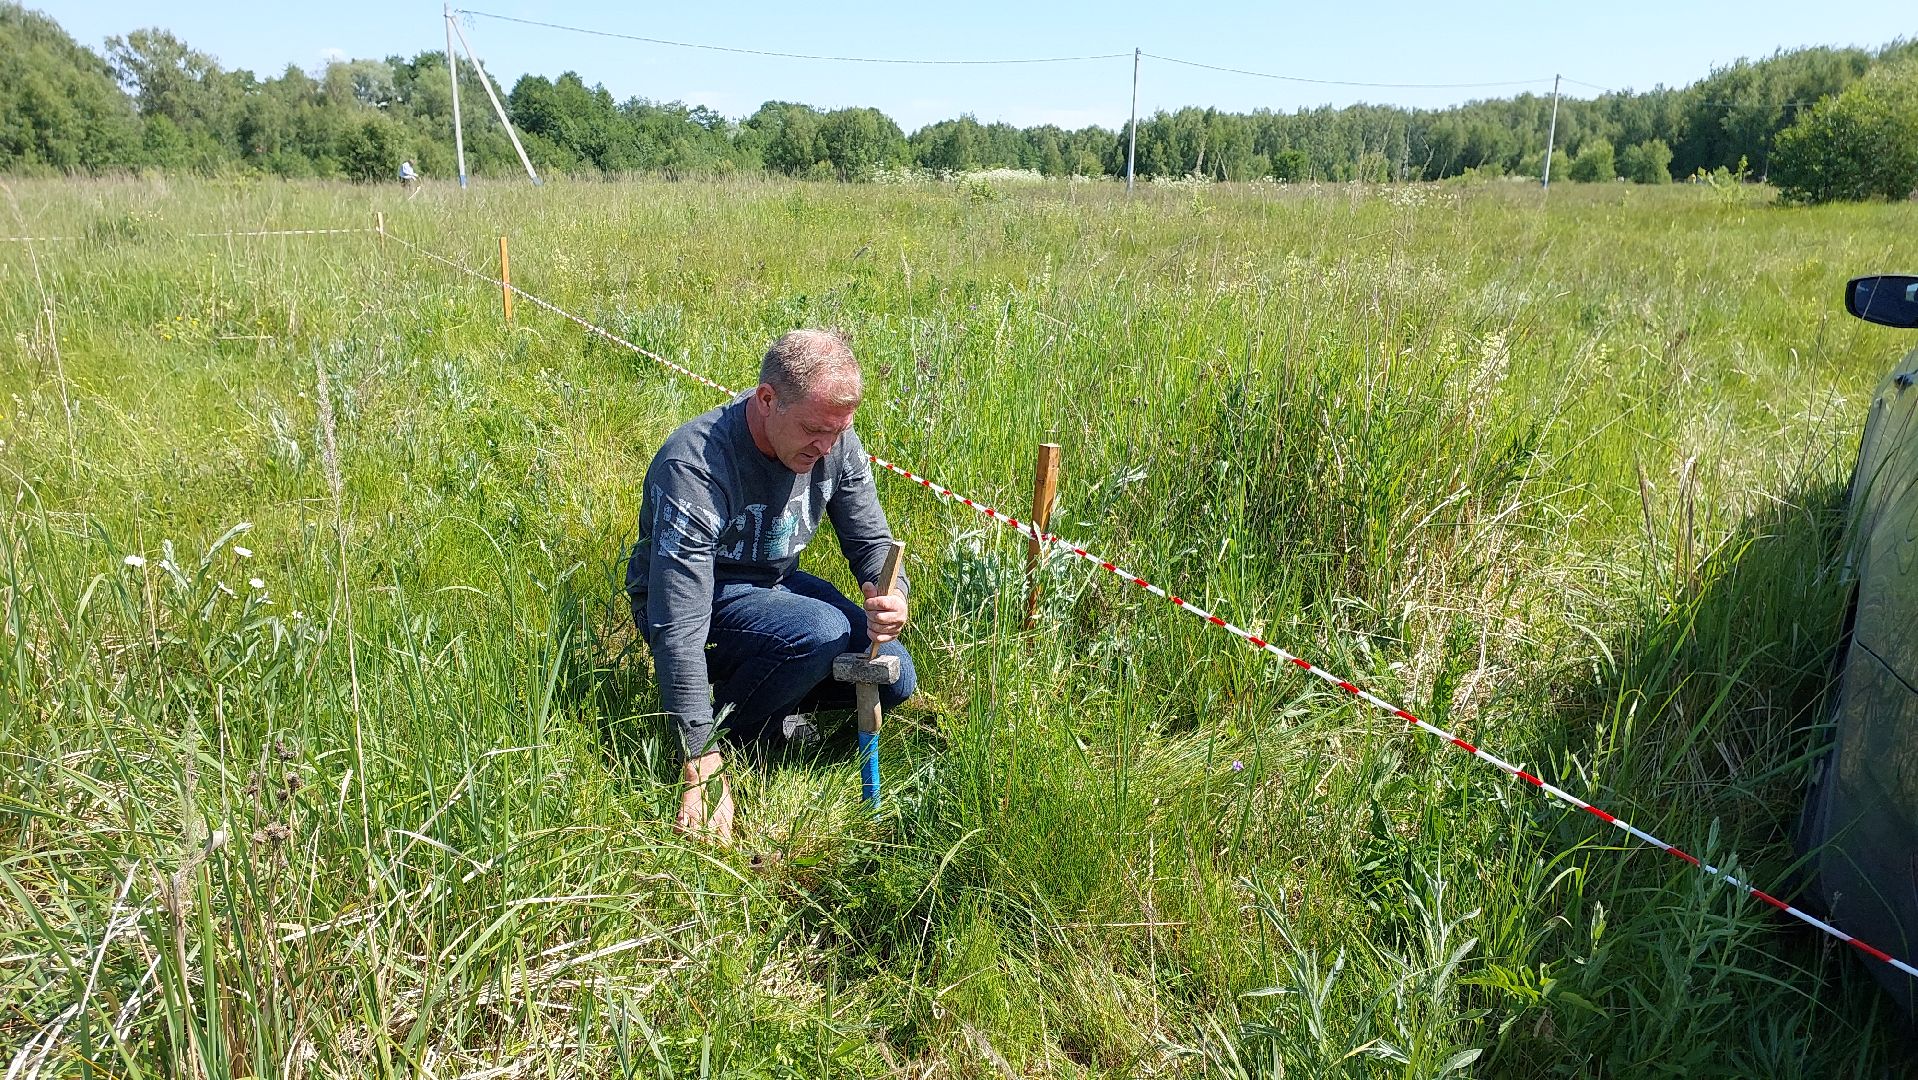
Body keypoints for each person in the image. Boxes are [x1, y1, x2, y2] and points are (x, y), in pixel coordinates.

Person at [626, 328, 915, 843]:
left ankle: (776, 717)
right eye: (813, 430)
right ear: (766, 400)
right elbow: (677, 620)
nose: (826, 446)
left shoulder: (834, 442)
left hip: (773, 585)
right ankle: (731, 742)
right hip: (699, 598)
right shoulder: (694, 465)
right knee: (819, 630)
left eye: (839, 431)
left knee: (896, 676)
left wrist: (892, 597)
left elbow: (871, 541)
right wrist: (698, 755)